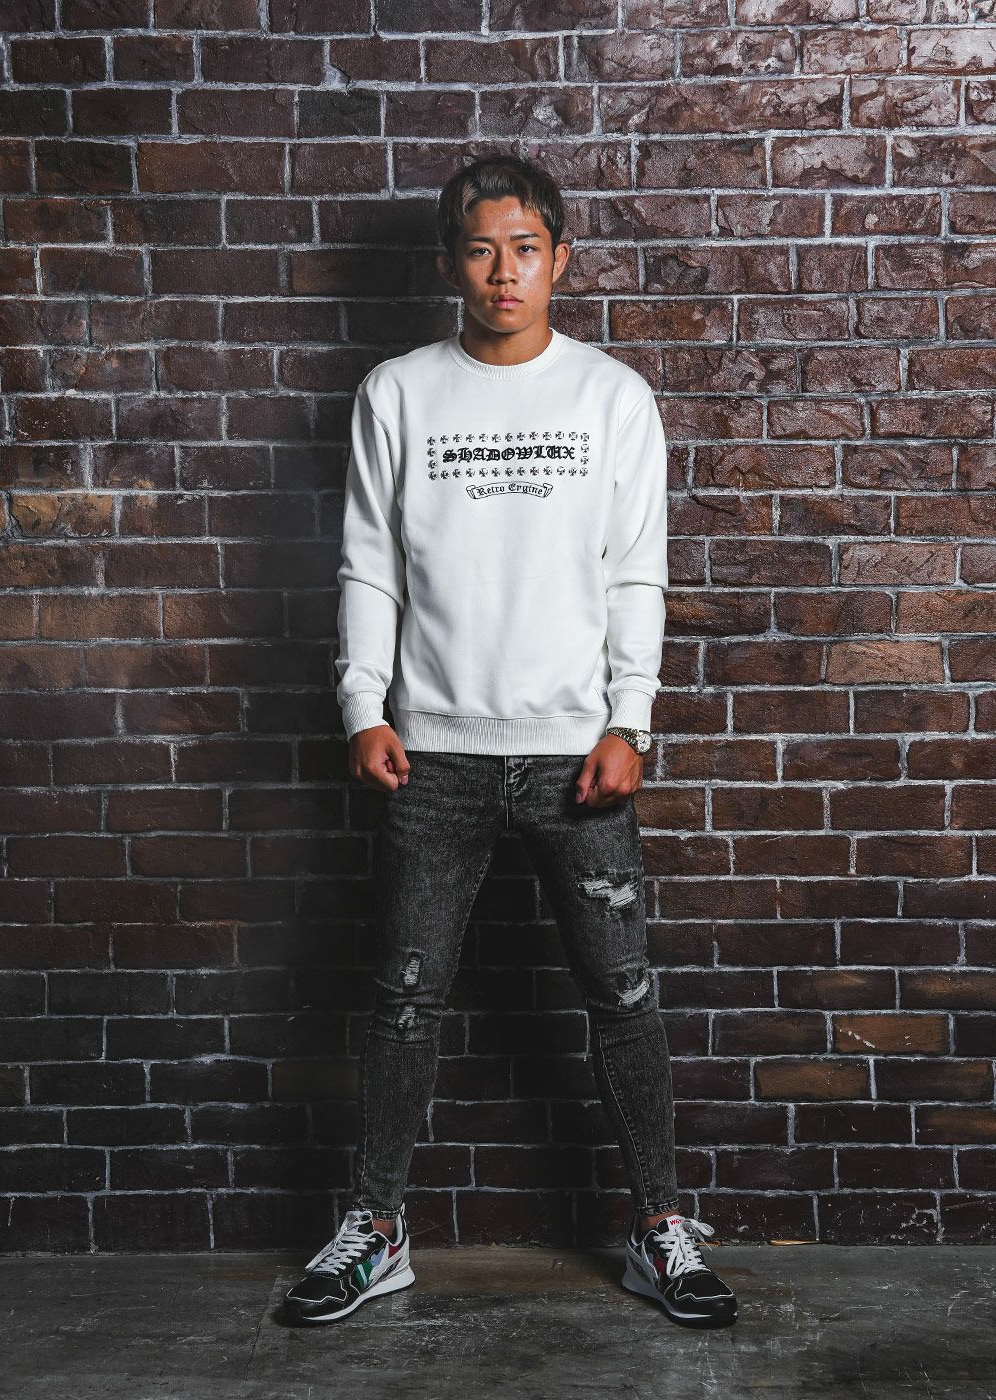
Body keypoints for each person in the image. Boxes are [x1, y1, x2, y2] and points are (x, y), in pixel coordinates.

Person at [282, 153, 737, 1331]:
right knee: (403, 996)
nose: (503, 272)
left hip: (574, 755)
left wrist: (629, 719)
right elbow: (369, 563)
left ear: (559, 259)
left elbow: (636, 573)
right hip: (429, 752)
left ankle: (660, 1227)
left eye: (524, 248)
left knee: (621, 992)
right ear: (451, 263)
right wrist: (363, 705)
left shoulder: (609, 397)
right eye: (481, 249)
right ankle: (377, 1228)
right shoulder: (398, 392)